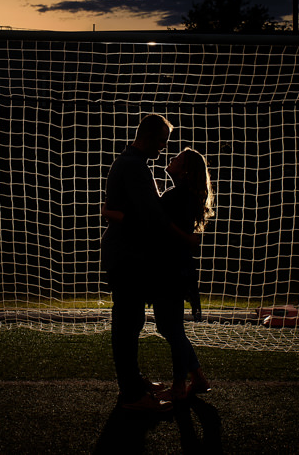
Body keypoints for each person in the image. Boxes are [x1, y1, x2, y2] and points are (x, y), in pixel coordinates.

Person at [103, 146, 214, 402]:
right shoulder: (180, 195)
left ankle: (179, 385)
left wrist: (110, 213)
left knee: (171, 328)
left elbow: (151, 221)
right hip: (175, 268)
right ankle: (196, 377)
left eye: (177, 159)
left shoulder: (177, 197)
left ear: (184, 171)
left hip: (169, 271)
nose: (171, 158)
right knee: (170, 326)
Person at [100, 113, 176, 413]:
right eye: (160, 141)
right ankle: (131, 394)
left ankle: (133, 382)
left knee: (130, 322)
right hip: (127, 257)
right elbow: (150, 215)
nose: (162, 147)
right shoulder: (133, 167)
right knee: (127, 324)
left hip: (127, 255)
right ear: (145, 136)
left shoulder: (132, 164)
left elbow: (137, 211)